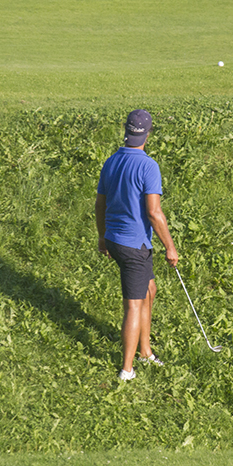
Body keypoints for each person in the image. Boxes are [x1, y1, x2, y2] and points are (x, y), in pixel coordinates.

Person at [95, 109, 179, 381]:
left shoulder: (111, 161)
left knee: (149, 290)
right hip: (135, 247)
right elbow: (154, 213)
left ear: (126, 130)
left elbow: (100, 203)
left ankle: (145, 351)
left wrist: (102, 236)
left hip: (115, 240)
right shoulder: (148, 166)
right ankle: (127, 370)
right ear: (148, 133)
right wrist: (170, 247)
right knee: (133, 304)